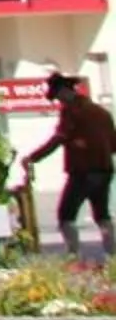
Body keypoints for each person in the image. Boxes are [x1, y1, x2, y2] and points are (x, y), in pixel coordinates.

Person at [19, 71, 116, 262]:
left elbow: (58, 139)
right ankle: (112, 256)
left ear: (64, 92)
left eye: (57, 96)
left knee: (66, 216)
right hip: (104, 170)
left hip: (82, 172)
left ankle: (73, 256)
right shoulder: (102, 112)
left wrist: (33, 158)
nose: (58, 101)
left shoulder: (71, 111)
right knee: (102, 215)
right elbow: (114, 145)